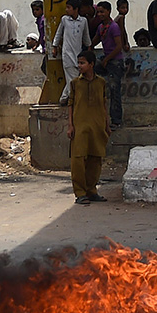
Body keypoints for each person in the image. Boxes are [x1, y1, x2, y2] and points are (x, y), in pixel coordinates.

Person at [68, 50, 109, 205]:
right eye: (78, 63)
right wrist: (70, 125)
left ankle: (92, 191)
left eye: (82, 63)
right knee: (77, 159)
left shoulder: (101, 83)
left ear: (91, 64)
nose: (79, 66)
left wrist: (107, 124)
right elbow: (70, 104)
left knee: (95, 158)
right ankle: (80, 192)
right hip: (80, 126)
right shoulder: (75, 83)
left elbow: (104, 104)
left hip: (97, 125)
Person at [53, 0, 91, 105]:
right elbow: (58, 34)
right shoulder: (64, 20)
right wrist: (54, 46)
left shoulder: (83, 21)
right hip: (67, 54)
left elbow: (86, 37)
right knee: (73, 79)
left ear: (76, 9)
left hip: (78, 54)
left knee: (73, 79)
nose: (66, 10)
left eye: (69, 8)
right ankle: (72, 101)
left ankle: (64, 98)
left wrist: (89, 48)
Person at [94, 1, 125, 129]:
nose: (100, 14)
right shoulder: (101, 27)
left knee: (114, 91)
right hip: (107, 60)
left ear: (108, 12)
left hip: (115, 62)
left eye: (102, 12)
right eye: (98, 12)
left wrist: (107, 59)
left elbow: (119, 46)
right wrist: (89, 47)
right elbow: (96, 39)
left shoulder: (113, 27)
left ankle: (116, 120)